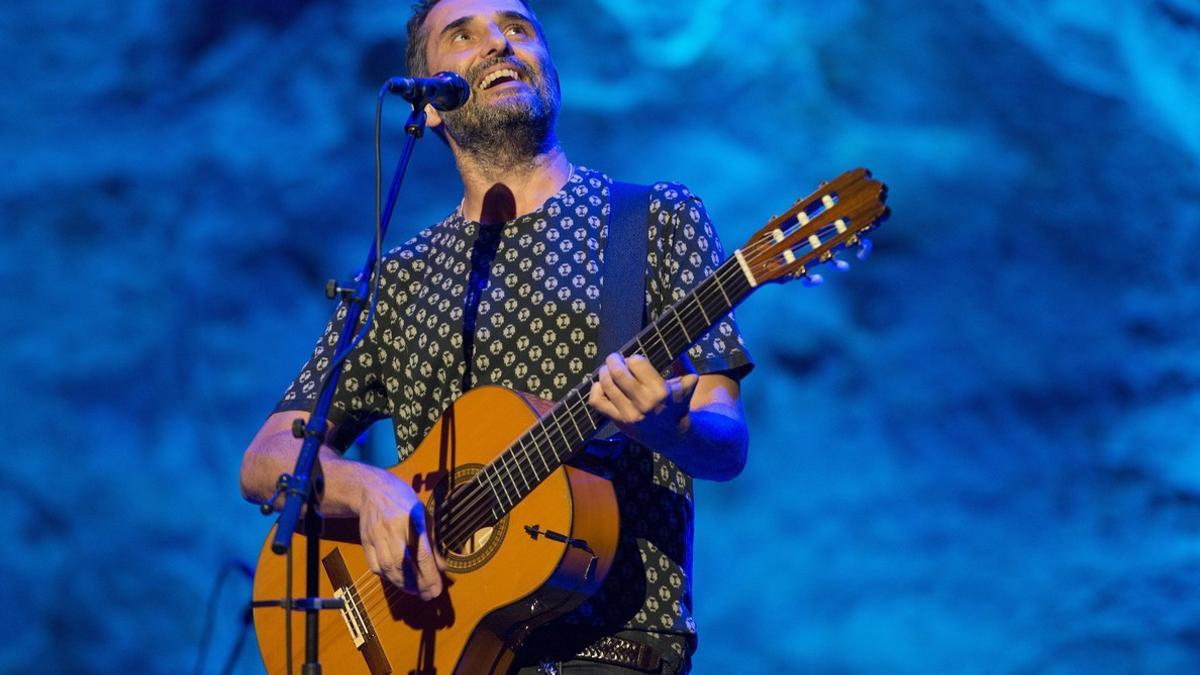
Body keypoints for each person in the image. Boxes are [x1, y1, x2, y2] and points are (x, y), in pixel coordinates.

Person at [240, 0, 753, 672]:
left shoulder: (653, 220)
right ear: (426, 106)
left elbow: (726, 441)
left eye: (518, 29)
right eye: (463, 34)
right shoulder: (398, 280)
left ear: (551, 70)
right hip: (437, 649)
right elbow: (267, 459)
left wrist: (670, 429)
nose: (498, 44)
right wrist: (368, 491)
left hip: (614, 646)